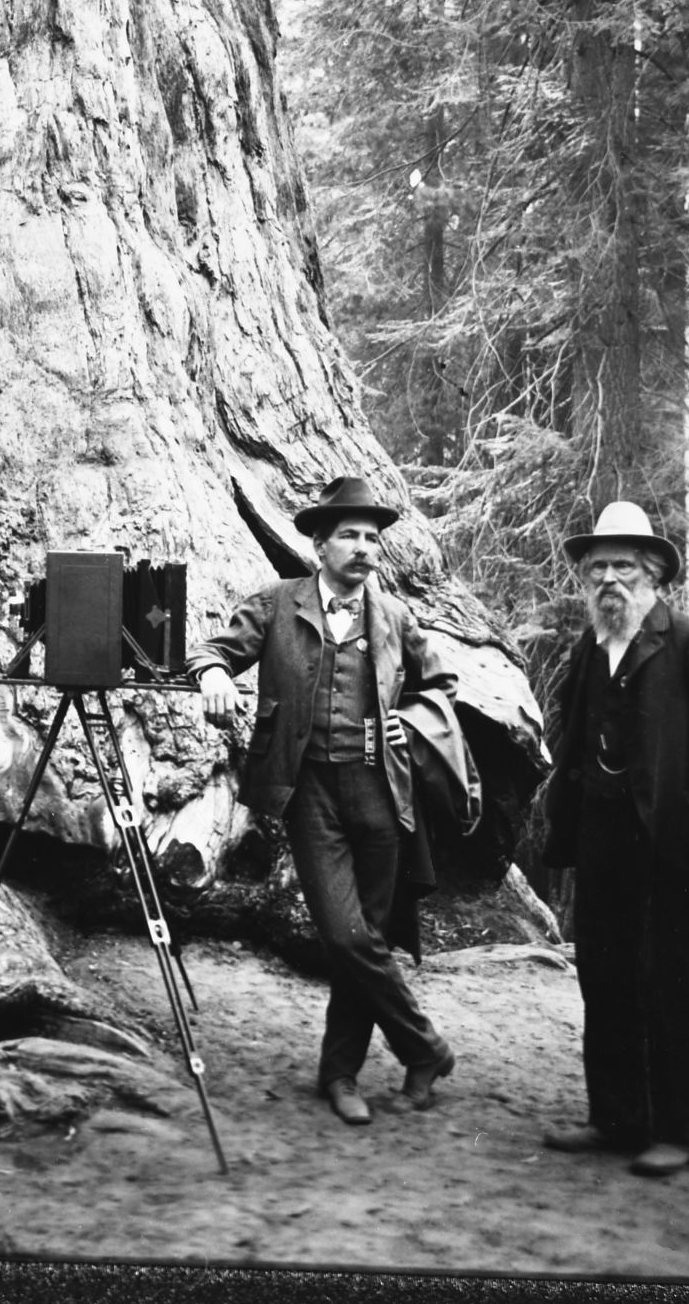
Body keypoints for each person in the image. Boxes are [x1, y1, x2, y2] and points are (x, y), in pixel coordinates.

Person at [189, 475, 458, 1125]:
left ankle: (340, 1074)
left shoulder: (393, 616)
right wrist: (215, 673)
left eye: (371, 538)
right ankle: (424, 1046)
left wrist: (412, 720)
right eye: (349, 536)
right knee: (343, 932)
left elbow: (441, 685)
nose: (363, 548)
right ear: (319, 546)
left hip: (380, 790)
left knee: (364, 937)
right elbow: (213, 650)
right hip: (309, 788)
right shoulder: (278, 603)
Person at [537, 500, 689, 1178]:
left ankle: (678, 1130)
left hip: (669, 847)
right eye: (597, 567)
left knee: (665, 983)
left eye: (624, 567)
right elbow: (573, 739)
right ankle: (615, 1119)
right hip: (600, 842)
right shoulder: (588, 647)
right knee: (602, 978)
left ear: (653, 574)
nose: (609, 579)